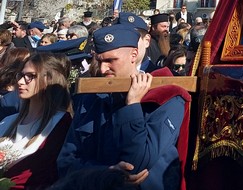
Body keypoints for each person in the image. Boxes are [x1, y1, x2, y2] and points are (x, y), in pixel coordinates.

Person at [57, 26, 188, 190]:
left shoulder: (166, 97)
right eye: (99, 60)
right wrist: (105, 173)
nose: (103, 69)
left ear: (134, 55)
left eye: (111, 61)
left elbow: (137, 163)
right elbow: (65, 162)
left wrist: (132, 105)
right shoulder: (90, 97)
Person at [0, 53, 72, 188]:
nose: (20, 82)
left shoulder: (61, 122)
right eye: (21, 75)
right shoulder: (8, 121)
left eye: (30, 76)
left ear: (50, 79)